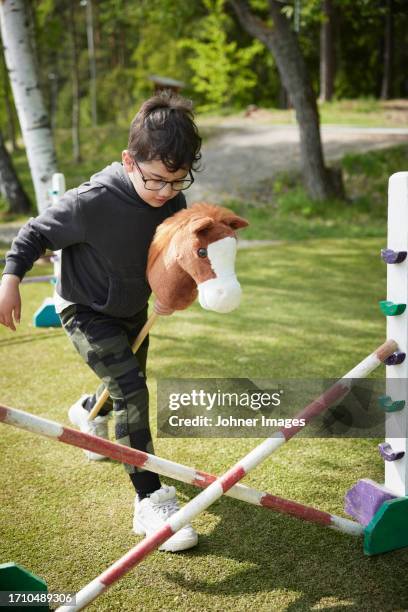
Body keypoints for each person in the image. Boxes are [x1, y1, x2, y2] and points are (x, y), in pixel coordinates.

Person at [0, 91, 202, 552]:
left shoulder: (173, 199)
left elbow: (178, 251)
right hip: (85, 309)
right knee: (132, 388)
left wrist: (175, 290)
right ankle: (149, 501)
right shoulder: (89, 201)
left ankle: (87, 409)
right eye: (155, 181)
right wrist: (10, 278)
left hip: (132, 309)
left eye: (177, 181)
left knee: (124, 385)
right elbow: (33, 233)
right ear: (129, 162)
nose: (166, 192)